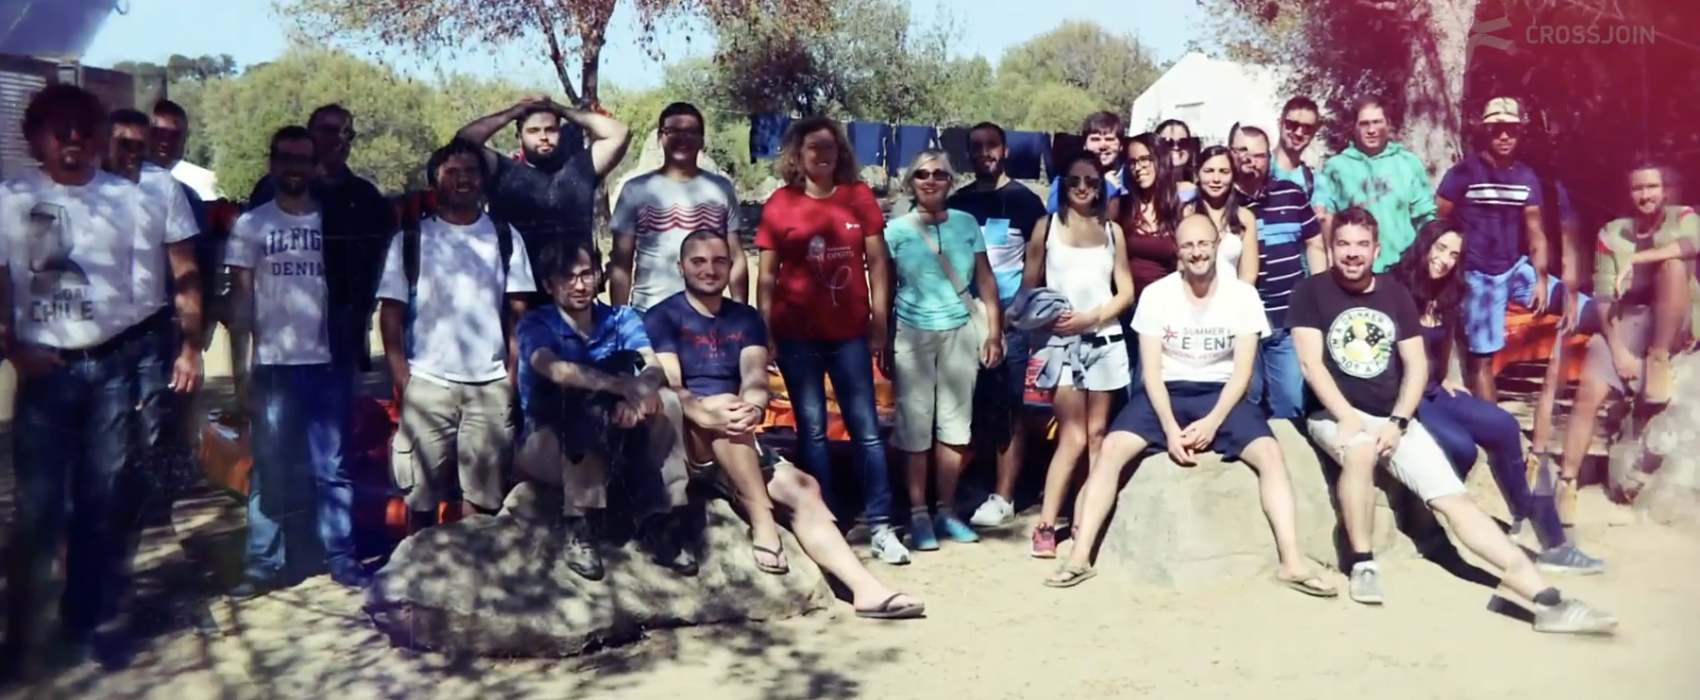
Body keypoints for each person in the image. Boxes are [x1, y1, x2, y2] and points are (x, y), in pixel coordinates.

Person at [1290, 207, 1615, 634]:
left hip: (1391, 418)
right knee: (1361, 450)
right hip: (1334, 414)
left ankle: (1546, 599)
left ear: (1376, 249)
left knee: (1456, 501)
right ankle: (1363, 563)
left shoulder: (1394, 294)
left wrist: (1399, 421)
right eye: (1343, 244)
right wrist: (1348, 418)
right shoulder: (1312, 292)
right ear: (1332, 248)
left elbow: (1416, 365)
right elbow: (1311, 365)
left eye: (1361, 245)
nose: (1352, 253)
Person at [0, 84, 203, 677]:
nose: (73, 138)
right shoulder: (12, 198)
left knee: (102, 503)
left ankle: (87, 623)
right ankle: (22, 639)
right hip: (47, 377)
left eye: (82, 128)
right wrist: (12, 348)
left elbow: (182, 274)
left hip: (114, 368)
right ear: (34, 137)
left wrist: (189, 344)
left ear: (97, 135)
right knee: (38, 511)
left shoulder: (129, 198)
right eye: (58, 128)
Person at [1045, 215, 1336, 597]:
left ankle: (1292, 561)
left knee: (1270, 454)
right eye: (1188, 246)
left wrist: (1213, 422)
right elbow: (1150, 372)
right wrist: (1169, 428)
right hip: (1166, 391)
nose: (1197, 253)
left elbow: (1243, 372)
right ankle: (1080, 557)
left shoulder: (1242, 296)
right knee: (1112, 449)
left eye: (1203, 244)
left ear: (1216, 245)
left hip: (1222, 393)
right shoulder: (1157, 295)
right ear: (1177, 252)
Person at [646, 230, 926, 619]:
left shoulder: (744, 318)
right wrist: (710, 412)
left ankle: (866, 590)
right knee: (725, 408)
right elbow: (672, 386)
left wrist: (754, 407)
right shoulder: (662, 316)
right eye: (699, 262)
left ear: (731, 266)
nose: (710, 270)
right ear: (681, 268)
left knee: (803, 488)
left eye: (719, 261)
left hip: (737, 435)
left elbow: (754, 378)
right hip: (689, 435)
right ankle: (762, 518)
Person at [1390, 219, 1604, 572]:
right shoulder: (1393, 287)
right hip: (1402, 396)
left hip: (1432, 391)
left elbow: (1442, 346)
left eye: (1454, 255)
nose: (1445, 260)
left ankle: (1544, 536)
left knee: (1504, 425)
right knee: (1461, 447)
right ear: (1425, 245)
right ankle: (1425, 524)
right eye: (1440, 248)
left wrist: (1443, 378)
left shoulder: (1446, 292)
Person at [754, 115, 908, 565]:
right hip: (796, 336)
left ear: (840, 152)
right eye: (813, 147)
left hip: (850, 335)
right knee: (813, 432)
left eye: (830, 147)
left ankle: (881, 524)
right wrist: (765, 330)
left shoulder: (858, 197)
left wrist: (880, 320)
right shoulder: (781, 203)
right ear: (797, 155)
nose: (822, 155)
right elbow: (767, 276)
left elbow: (878, 264)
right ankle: (826, 521)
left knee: (867, 430)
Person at [224, 126, 369, 599]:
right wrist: (240, 371)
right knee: (269, 468)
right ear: (272, 163)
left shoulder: (334, 223)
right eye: (285, 157)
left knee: (333, 467)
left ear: (314, 166)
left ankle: (341, 557)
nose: (294, 167)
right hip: (274, 366)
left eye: (303, 158)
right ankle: (263, 563)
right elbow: (241, 303)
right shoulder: (252, 225)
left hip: (327, 364)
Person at [378, 139, 536, 533]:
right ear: (435, 180)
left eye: (471, 171)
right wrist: (403, 376)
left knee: (483, 501)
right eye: (452, 172)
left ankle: (473, 568)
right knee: (420, 498)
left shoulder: (505, 237)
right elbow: (391, 313)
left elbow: (519, 313)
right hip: (427, 384)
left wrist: (511, 376)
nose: (462, 179)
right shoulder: (411, 239)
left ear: (483, 179)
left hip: (490, 387)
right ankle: (418, 566)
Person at [515, 240, 695, 580]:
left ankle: (662, 517)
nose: (579, 285)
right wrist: (619, 387)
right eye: (567, 277)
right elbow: (555, 369)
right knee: (583, 413)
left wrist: (640, 391)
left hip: (622, 433)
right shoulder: (536, 324)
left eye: (587, 274)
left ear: (600, 276)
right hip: (550, 443)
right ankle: (580, 524)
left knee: (667, 401)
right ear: (549, 285)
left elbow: (652, 365)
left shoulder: (620, 318)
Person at [1556, 165, 1697, 524]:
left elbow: (1692, 245)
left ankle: (1659, 359)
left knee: (1673, 264)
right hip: (1628, 320)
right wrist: (1618, 351)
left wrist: (1637, 258)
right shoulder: (1612, 233)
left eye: (1652, 187)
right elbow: (1604, 295)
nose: (1646, 195)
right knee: (1589, 390)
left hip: (1674, 319)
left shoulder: (1683, 217)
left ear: (1665, 190)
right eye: (1638, 188)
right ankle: (1567, 481)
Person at [884, 149, 1004, 550]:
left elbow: (985, 280)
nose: (931, 181)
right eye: (922, 174)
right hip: (912, 333)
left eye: (939, 174)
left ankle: (946, 510)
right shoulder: (896, 231)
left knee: (955, 425)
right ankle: (918, 514)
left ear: (951, 182)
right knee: (914, 427)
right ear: (911, 182)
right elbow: (884, 288)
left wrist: (994, 332)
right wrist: (880, 336)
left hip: (960, 331)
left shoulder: (966, 224)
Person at [1021, 153, 1136, 558]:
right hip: (1061, 345)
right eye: (1075, 181)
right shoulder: (1046, 226)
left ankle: (1085, 519)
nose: (1083, 188)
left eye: (1091, 181)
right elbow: (1029, 287)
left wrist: (1092, 317)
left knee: (1097, 435)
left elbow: (1125, 290)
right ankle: (1046, 524)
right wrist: (1042, 319)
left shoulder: (1112, 231)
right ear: (1063, 185)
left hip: (1104, 341)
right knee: (1071, 435)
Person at [945, 121, 1049, 528]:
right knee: (969, 404)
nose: (985, 152)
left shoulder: (1026, 201)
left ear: (1005, 150)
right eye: (977, 146)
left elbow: (1034, 265)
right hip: (965, 314)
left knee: (1008, 406)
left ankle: (1005, 495)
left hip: (1009, 316)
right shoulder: (959, 201)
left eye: (992, 145)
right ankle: (974, 482)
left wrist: (1013, 313)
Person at [246, 103, 394, 387]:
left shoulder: (366, 197)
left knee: (336, 411)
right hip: (282, 337)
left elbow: (382, 260)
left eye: (347, 133)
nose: (339, 140)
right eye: (329, 130)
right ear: (310, 133)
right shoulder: (272, 188)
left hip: (344, 333)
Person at [1436, 97, 1564, 405]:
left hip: (1516, 269)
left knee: (1584, 309)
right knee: (1482, 356)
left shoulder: (1526, 176)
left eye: (1511, 130)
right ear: (1485, 132)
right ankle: (1491, 425)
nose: (1504, 136)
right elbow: (1438, 222)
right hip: (1478, 275)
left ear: (1520, 133)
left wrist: (1541, 279)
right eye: (1496, 129)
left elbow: (1535, 230)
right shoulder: (1463, 173)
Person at [456, 94, 631, 304]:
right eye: (533, 131)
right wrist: (513, 112)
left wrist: (560, 109)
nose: (544, 137)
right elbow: (463, 141)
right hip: (517, 298)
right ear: (519, 136)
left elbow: (620, 132)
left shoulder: (581, 168)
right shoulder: (501, 171)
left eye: (550, 129)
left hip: (574, 294)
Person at [609, 102, 746, 311]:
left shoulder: (721, 188)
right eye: (673, 131)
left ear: (702, 140)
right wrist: (620, 319)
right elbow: (621, 264)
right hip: (648, 312)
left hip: (709, 315)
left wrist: (740, 313)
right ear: (660, 138)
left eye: (691, 132)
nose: (683, 139)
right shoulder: (635, 190)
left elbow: (736, 257)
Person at [1231, 125, 1319, 421]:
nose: (1250, 161)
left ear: (1269, 159)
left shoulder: (1292, 194)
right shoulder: (1220, 201)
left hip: (1287, 318)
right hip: (1242, 321)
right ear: (1231, 153)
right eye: (1242, 152)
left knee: (1291, 402)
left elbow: (1315, 244)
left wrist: (1319, 294)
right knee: (1247, 398)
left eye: (1259, 155)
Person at [1318, 97, 1435, 272]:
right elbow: (1327, 220)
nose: (1371, 130)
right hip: (1355, 269)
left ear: (1388, 124)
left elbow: (1425, 216)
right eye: (1364, 124)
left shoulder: (1408, 162)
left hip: (1404, 269)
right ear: (1354, 127)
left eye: (1377, 122)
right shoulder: (1336, 167)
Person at [1271, 96, 1332, 273]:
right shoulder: (1260, 170)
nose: (1298, 133)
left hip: (1302, 276)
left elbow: (1321, 239)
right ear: (1280, 123)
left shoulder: (1316, 181)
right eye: (1292, 125)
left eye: (1307, 128)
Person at [1192, 145, 1260, 283]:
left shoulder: (1245, 218)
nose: (1216, 179)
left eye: (1224, 171)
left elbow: (1249, 275)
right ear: (1197, 174)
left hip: (1233, 294)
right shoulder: (1187, 214)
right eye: (1209, 171)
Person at [1046, 111, 1127, 219]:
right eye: (1095, 139)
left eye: (1109, 139)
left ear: (1121, 145)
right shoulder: (1067, 178)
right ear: (1084, 145)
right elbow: (1053, 213)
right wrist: (1106, 186)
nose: (1103, 146)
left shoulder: (1131, 179)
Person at [1154, 118, 1200, 194]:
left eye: (1183, 142)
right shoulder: (1144, 190)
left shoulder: (1199, 192)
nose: (1176, 147)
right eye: (1168, 142)